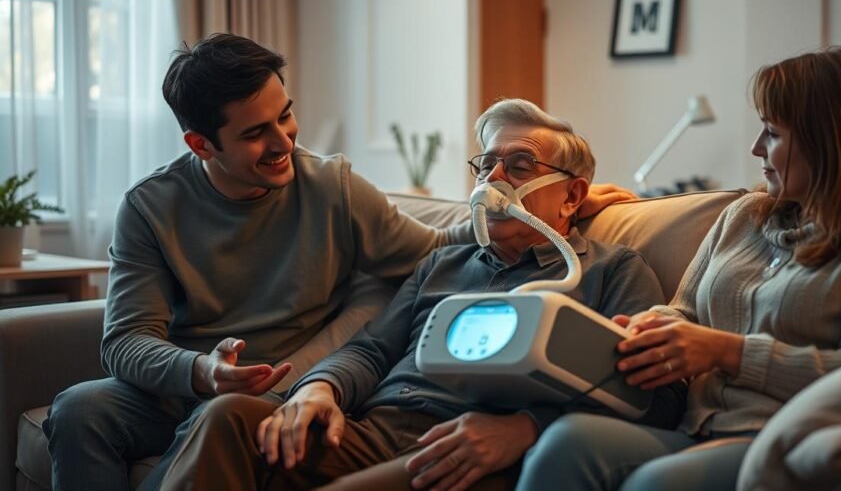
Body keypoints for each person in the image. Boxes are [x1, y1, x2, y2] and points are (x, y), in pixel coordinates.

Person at [41, 34, 632, 491]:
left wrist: (554, 212)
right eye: (256, 134)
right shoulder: (150, 207)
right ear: (202, 145)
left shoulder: (332, 185)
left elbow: (432, 247)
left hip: (282, 381)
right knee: (80, 410)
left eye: (286, 116)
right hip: (197, 378)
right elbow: (124, 343)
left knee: (224, 420)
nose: (284, 144)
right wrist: (205, 371)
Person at [157, 99, 685, 491]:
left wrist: (527, 429)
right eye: (485, 165)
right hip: (372, 430)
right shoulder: (443, 263)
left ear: (573, 196)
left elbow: (658, 398)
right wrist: (320, 389)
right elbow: (371, 350)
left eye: (518, 166)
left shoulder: (611, 272)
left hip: (461, 447)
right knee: (228, 416)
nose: (493, 179)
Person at [517, 47, 841, 491]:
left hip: (787, 443)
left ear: (830, 142)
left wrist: (728, 352)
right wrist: (649, 328)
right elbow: (684, 310)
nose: (757, 148)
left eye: (773, 134)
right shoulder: (746, 215)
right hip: (696, 429)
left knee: (656, 484)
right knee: (564, 441)